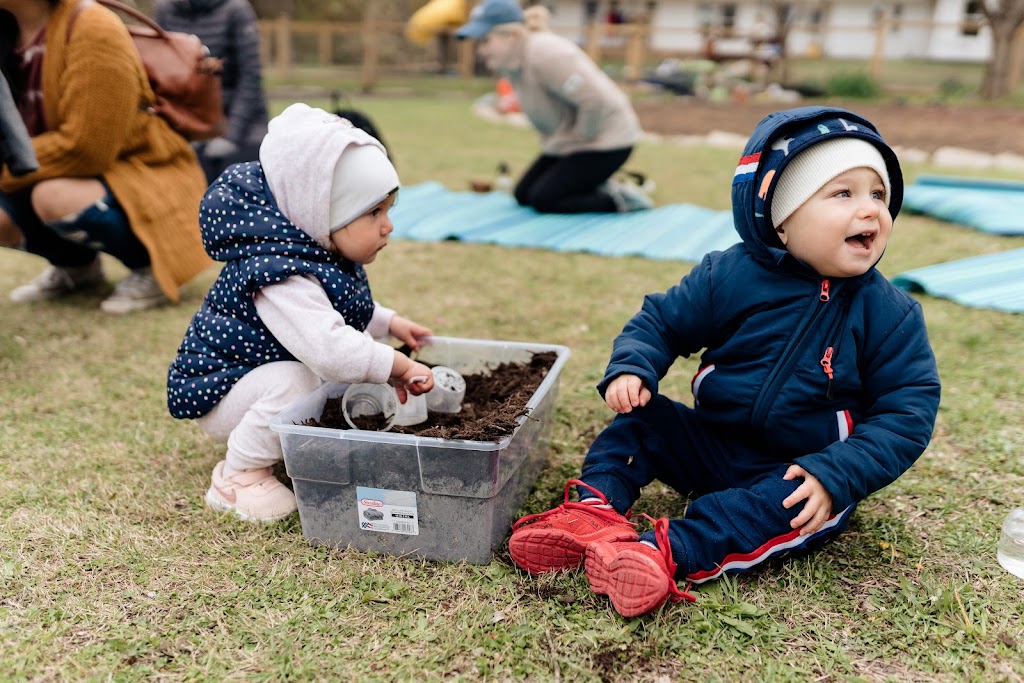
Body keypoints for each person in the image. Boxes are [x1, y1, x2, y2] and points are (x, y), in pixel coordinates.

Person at [507, 106, 942, 617]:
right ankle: (594, 509)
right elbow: (662, 322)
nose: (871, 209)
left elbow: (907, 411)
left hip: (800, 470)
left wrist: (836, 472)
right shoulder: (728, 276)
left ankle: (667, 552)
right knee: (642, 421)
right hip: (712, 443)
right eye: (843, 193)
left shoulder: (888, 313)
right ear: (781, 219)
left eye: (879, 194)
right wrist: (634, 366)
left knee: (789, 510)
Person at [166, 103, 436, 523]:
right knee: (302, 378)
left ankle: (279, 436)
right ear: (320, 214)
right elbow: (328, 346)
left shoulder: (312, 247)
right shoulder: (279, 273)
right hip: (222, 390)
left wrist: (388, 323)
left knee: (338, 362)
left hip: (256, 375)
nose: (388, 227)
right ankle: (237, 476)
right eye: (373, 213)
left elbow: (331, 312)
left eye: (388, 211)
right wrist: (394, 364)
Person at [0, 0, 211, 313]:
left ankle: (150, 267)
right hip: (54, 168)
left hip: (138, 169)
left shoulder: (93, 27)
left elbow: (86, 149)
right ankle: (76, 267)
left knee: (55, 197)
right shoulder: (7, 29)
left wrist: (6, 168)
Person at [455, 0, 650, 214]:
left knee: (545, 199)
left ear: (511, 36)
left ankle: (619, 199)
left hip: (607, 143)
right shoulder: (513, 64)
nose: (480, 51)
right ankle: (593, 182)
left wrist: (581, 136)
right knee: (524, 195)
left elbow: (596, 100)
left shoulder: (545, 53)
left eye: (485, 41)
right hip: (571, 144)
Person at [153, 0, 270, 185]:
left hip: (239, 125)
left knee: (235, 181)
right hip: (188, 122)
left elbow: (250, 77)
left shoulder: (236, 10)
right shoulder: (165, 10)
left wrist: (230, 135)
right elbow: (161, 76)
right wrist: (186, 127)